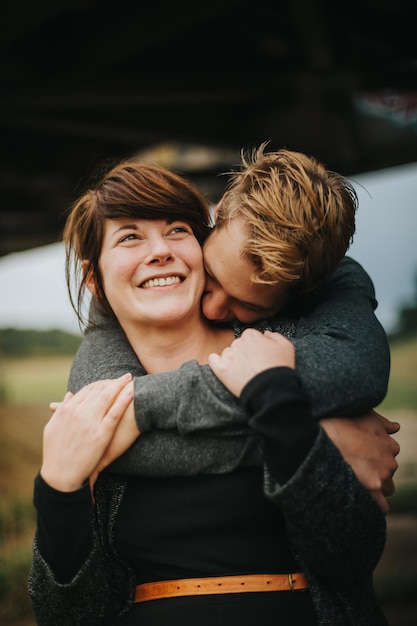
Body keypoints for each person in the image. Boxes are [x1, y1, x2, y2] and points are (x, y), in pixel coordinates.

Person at [29, 157, 391, 625]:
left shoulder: (285, 348)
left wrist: (287, 418)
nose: (159, 250)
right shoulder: (92, 409)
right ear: (94, 279)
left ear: (201, 243)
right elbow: (67, 615)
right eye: (130, 236)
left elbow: (351, 559)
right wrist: (58, 490)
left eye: (178, 229)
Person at [68, 145, 398, 512]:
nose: (211, 307)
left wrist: (144, 404)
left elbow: (356, 367)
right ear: (221, 210)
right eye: (212, 274)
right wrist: (313, 439)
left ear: (302, 292)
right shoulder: (117, 300)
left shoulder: (332, 280)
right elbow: (99, 431)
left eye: (248, 306)